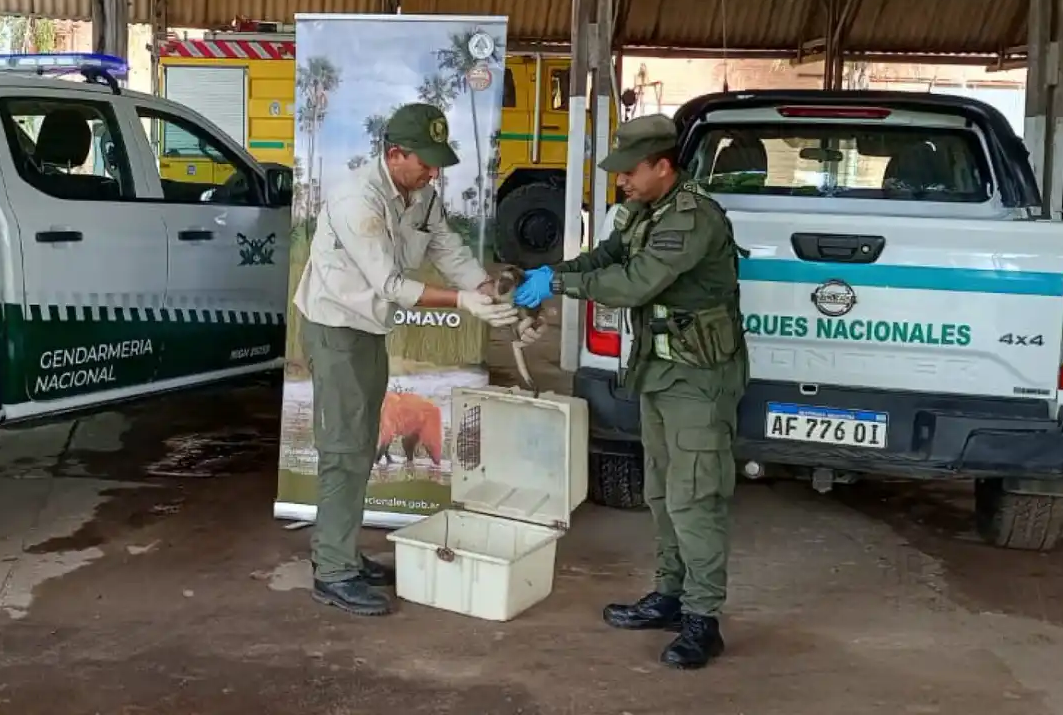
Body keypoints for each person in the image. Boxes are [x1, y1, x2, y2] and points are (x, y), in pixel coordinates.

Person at [513, 113, 748, 670]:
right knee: (662, 492)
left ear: (663, 167)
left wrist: (560, 284)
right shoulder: (647, 209)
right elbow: (608, 258)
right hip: (660, 372)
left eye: (629, 171)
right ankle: (670, 595)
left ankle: (703, 620)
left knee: (695, 497)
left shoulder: (692, 218)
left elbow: (635, 283)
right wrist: (552, 271)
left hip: (698, 379)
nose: (621, 181)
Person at [294, 102, 519, 617]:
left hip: (368, 329)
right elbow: (391, 285)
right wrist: (463, 302)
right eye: (426, 161)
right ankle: (333, 571)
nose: (434, 171)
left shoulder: (421, 195)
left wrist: (486, 289)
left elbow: (447, 248)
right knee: (345, 447)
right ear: (395, 154)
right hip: (336, 330)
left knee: (363, 440)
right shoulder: (357, 199)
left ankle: (341, 551)